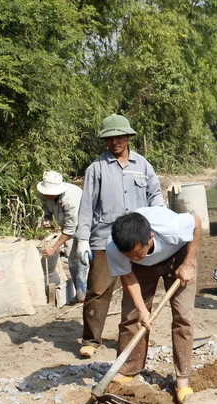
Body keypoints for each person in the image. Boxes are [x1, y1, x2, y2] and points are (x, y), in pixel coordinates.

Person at [76, 114, 164, 358]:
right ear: (105, 141)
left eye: (120, 136)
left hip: (137, 239)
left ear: (128, 137)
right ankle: (91, 340)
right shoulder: (96, 169)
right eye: (110, 138)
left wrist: (157, 216)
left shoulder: (143, 166)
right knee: (98, 290)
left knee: (138, 289)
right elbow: (86, 206)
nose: (116, 141)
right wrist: (83, 239)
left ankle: (134, 337)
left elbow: (155, 194)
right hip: (105, 239)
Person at [106, 207, 201, 404]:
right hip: (141, 271)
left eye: (138, 253)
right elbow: (128, 275)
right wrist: (142, 310)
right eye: (129, 256)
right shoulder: (115, 247)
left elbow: (197, 222)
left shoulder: (170, 227)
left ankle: (182, 378)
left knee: (183, 315)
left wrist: (189, 263)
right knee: (131, 316)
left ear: (150, 237)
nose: (132, 258)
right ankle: (128, 368)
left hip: (177, 257)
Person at [37, 171, 88, 302]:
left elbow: (70, 229)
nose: (47, 195)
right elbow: (46, 208)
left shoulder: (70, 199)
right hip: (67, 226)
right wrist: (47, 217)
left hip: (83, 223)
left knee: (82, 255)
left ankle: (83, 289)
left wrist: (53, 248)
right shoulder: (43, 194)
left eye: (50, 193)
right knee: (71, 257)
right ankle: (78, 290)